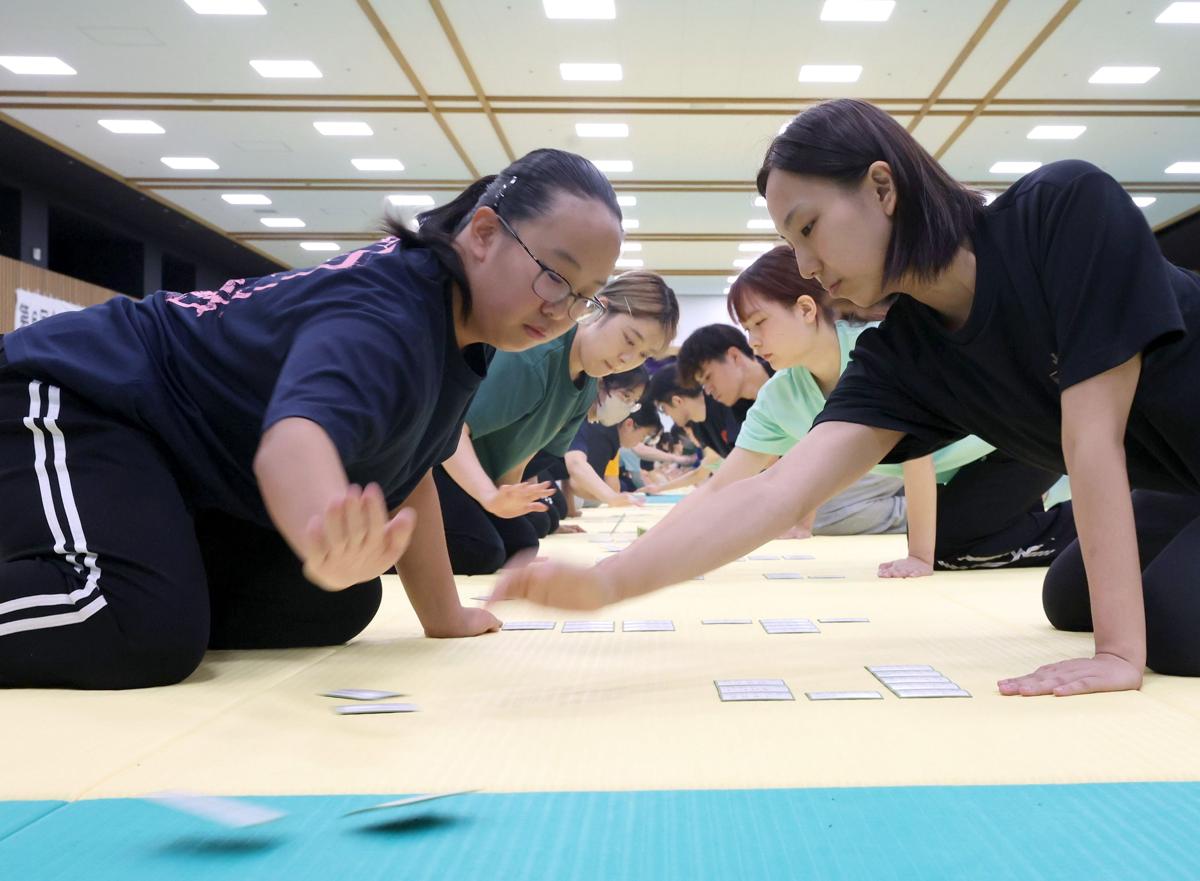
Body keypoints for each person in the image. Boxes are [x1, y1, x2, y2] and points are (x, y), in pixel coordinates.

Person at [496, 99, 1200, 697]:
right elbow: (773, 494)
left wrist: (1117, 655)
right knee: (1068, 596)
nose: (805, 265)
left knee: (1162, 627)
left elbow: (1092, 436)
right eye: (788, 242)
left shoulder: (1062, 211)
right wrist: (609, 583)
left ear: (882, 188)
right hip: (1178, 480)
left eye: (807, 228)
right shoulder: (902, 354)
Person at [0, 147, 624, 689]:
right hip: (78, 394)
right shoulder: (389, 309)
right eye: (554, 277)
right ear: (484, 234)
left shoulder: (466, 331)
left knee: (330, 604)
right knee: (138, 627)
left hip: (173, 464)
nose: (564, 310)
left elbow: (412, 469)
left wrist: (444, 616)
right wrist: (318, 530)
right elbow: (294, 441)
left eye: (583, 295)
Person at [710, 244, 1073, 572]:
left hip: (1016, 443)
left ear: (805, 309)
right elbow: (724, 487)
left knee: (948, 545)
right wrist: (660, 550)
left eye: (759, 324)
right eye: (746, 330)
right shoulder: (778, 397)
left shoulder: (878, 349)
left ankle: (1094, 526)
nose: (753, 342)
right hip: (965, 471)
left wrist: (918, 555)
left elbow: (917, 457)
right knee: (960, 541)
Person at [436, 272, 678, 574]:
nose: (627, 358)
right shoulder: (536, 356)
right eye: (628, 339)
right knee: (480, 551)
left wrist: (508, 497)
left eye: (643, 354)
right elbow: (452, 432)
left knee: (522, 545)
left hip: (477, 472)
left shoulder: (587, 383)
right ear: (599, 310)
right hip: (437, 464)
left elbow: (522, 451)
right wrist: (489, 496)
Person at [565, 377, 664, 507]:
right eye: (644, 436)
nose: (641, 442)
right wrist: (611, 497)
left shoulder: (609, 436)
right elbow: (576, 479)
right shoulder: (605, 433)